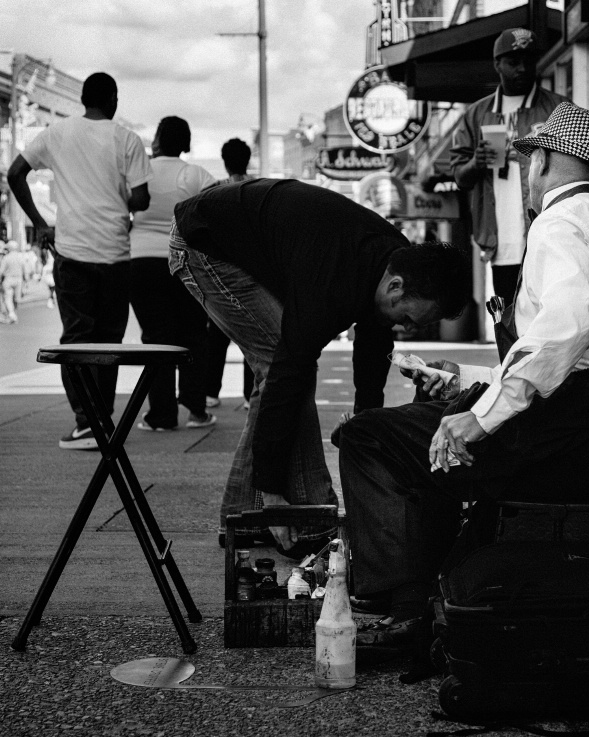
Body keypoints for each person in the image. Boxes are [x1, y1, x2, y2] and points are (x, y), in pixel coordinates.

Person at [340, 103, 589, 654]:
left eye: (528, 162)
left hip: (572, 433)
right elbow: (573, 351)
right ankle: (429, 592)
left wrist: (479, 415)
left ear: (542, 160)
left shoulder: (560, 223)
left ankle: (403, 609)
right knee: (426, 435)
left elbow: (563, 331)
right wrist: (470, 380)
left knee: (369, 437)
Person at [168, 179, 471, 556]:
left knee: (288, 369)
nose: (406, 326)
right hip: (204, 244)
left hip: (252, 236)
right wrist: (273, 493)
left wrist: (367, 424)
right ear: (396, 287)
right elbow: (286, 374)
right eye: (407, 316)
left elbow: (375, 344)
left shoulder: (391, 259)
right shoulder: (331, 281)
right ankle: (294, 512)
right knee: (281, 366)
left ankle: (245, 520)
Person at [8, 72, 152, 450]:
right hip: (116, 256)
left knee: (76, 340)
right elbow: (141, 199)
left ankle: (88, 423)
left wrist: (41, 224)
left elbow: (15, 173)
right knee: (109, 342)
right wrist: (119, 194)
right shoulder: (127, 139)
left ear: (84, 100)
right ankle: (99, 421)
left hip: (72, 254)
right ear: (113, 100)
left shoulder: (56, 134)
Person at [451, 27, 570, 306]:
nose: (523, 69)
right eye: (513, 62)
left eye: (529, 61)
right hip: (500, 241)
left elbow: (577, 165)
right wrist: (475, 162)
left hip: (550, 237)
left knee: (551, 316)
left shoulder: (558, 108)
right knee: (508, 324)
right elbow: (459, 176)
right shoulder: (476, 114)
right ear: (497, 65)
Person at [129, 116, 217, 431]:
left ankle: (161, 415)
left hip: (140, 262)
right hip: (183, 262)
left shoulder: (138, 173)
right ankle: (196, 410)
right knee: (194, 334)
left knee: (156, 339)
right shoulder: (194, 174)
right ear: (186, 142)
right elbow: (216, 213)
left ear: (157, 139)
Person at [204, 137, 256, 411]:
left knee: (217, 336)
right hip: (251, 271)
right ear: (248, 159)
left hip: (221, 271)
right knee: (251, 335)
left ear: (224, 161)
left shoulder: (213, 191)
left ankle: (211, 392)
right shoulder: (258, 188)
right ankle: (251, 395)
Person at [0, 240, 26, 323]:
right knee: (16, 299)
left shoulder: (6, 258)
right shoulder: (21, 257)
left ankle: (11, 313)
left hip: (8, 279)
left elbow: (1, 271)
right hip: (18, 279)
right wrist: (26, 280)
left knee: (8, 298)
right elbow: (25, 270)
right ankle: (12, 313)